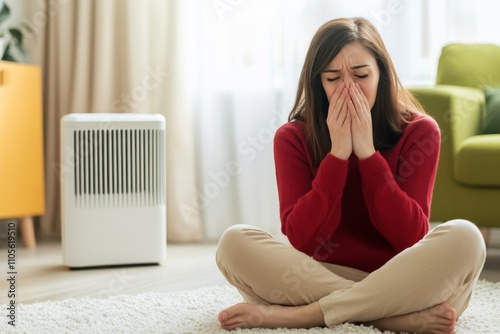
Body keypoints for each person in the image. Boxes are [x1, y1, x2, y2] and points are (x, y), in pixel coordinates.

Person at [215, 17, 486, 333]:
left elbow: (410, 235)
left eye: (360, 75)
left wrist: (368, 155)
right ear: (319, 84)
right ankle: (388, 318)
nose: (348, 89)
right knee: (233, 242)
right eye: (333, 78)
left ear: (382, 74)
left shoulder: (420, 131)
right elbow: (302, 239)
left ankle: (300, 316)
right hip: (326, 276)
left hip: (404, 278)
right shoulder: (292, 137)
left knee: (466, 236)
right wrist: (338, 155)